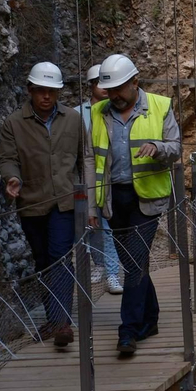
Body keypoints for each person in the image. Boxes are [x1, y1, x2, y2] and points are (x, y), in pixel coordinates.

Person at [87, 53, 181, 358]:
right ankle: (150, 319)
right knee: (134, 264)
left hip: (148, 199)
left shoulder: (159, 106)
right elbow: (91, 159)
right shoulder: (99, 113)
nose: (114, 95)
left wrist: (158, 149)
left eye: (119, 89)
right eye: (109, 90)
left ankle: (128, 331)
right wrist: (91, 205)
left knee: (135, 261)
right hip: (114, 200)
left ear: (134, 82)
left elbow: (176, 147)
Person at [0, 61, 83, 348]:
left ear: (59, 93)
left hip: (64, 202)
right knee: (43, 260)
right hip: (31, 202)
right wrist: (12, 178)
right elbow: (7, 158)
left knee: (60, 257)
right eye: (41, 91)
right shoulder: (13, 123)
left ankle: (61, 324)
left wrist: (90, 200)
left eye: (52, 91)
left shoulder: (72, 119)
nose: (46, 97)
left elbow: (86, 157)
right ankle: (54, 319)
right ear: (30, 91)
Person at [77, 63, 123, 294]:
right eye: (98, 83)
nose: (103, 88)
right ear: (91, 86)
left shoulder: (116, 110)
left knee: (108, 227)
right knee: (91, 226)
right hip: (86, 178)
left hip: (109, 180)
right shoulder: (77, 114)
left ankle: (112, 273)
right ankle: (99, 265)